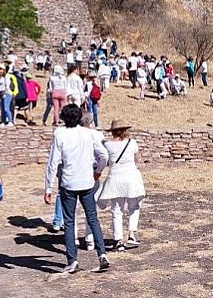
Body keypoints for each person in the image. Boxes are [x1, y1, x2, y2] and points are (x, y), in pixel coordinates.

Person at [44, 104, 111, 273]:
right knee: (92, 218)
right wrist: (98, 171)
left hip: (68, 182)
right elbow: (104, 155)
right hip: (86, 181)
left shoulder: (59, 134)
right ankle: (102, 253)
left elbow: (53, 162)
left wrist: (48, 187)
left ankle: (72, 260)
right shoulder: (89, 134)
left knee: (69, 221)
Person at [97, 120, 146, 252]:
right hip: (131, 177)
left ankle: (118, 240)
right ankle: (131, 233)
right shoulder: (132, 143)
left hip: (115, 178)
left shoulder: (107, 145)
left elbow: (105, 160)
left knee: (116, 210)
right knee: (134, 206)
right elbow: (137, 160)